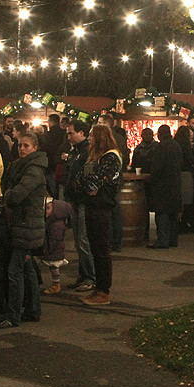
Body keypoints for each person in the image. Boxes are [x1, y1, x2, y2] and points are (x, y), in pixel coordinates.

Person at [0, 133, 48, 328]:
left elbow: (16, 196)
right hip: (24, 224)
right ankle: (33, 310)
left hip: (26, 226)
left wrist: (7, 194)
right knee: (27, 268)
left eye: (26, 146)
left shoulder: (32, 170)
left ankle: (12, 315)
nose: (21, 149)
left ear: (35, 148)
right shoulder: (24, 166)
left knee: (14, 270)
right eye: (19, 145)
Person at [71, 124, 122, 306]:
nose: (89, 139)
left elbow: (92, 184)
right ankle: (98, 288)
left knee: (101, 251)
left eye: (92, 136)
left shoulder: (110, 158)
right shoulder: (95, 158)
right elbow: (79, 180)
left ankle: (103, 292)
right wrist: (85, 184)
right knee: (94, 249)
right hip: (91, 206)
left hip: (101, 208)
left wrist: (86, 184)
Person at [62, 119, 95, 292]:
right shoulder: (75, 151)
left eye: (71, 133)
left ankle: (90, 276)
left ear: (82, 133)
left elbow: (87, 176)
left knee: (83, 239)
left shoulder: (87, 151)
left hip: (83, 200)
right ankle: (83, 275)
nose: (68, 136)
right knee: (77, 240)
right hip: (73, 199)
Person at [147, 125, 182, 249]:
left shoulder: (161, 147)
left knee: (162, 213)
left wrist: (152, 179)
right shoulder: (176, 145)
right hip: (175, 183)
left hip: (162, 185)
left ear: (159, 134)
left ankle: (162, 240)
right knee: (173, 214)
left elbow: (158, 167)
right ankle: (173, 240)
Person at [98, 114, 127, 252]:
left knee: (107, 211)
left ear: (105, 124)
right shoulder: (121, 138)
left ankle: (108, 241)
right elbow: (125, 159)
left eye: (99, 122)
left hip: (107, 180)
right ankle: (117, 241)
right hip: (117, 178)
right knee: (116, 212)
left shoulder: (105, 139)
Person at [40, 195, 71, 293]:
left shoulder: (56, 224)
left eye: (48, 208)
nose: (46, 211)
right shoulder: (52, 221)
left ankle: (56, 285)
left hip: (54, 249)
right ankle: (55, 284)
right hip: (53, 248)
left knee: (54, 268)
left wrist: (48, 249)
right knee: (53, 267)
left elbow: (55, 238)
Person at [41, 113, 65, 197]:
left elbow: (46, 147)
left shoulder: (49, 134)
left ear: (51, 122)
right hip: (58, 163)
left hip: (50, 163)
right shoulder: (63, 133)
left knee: (52, 187)